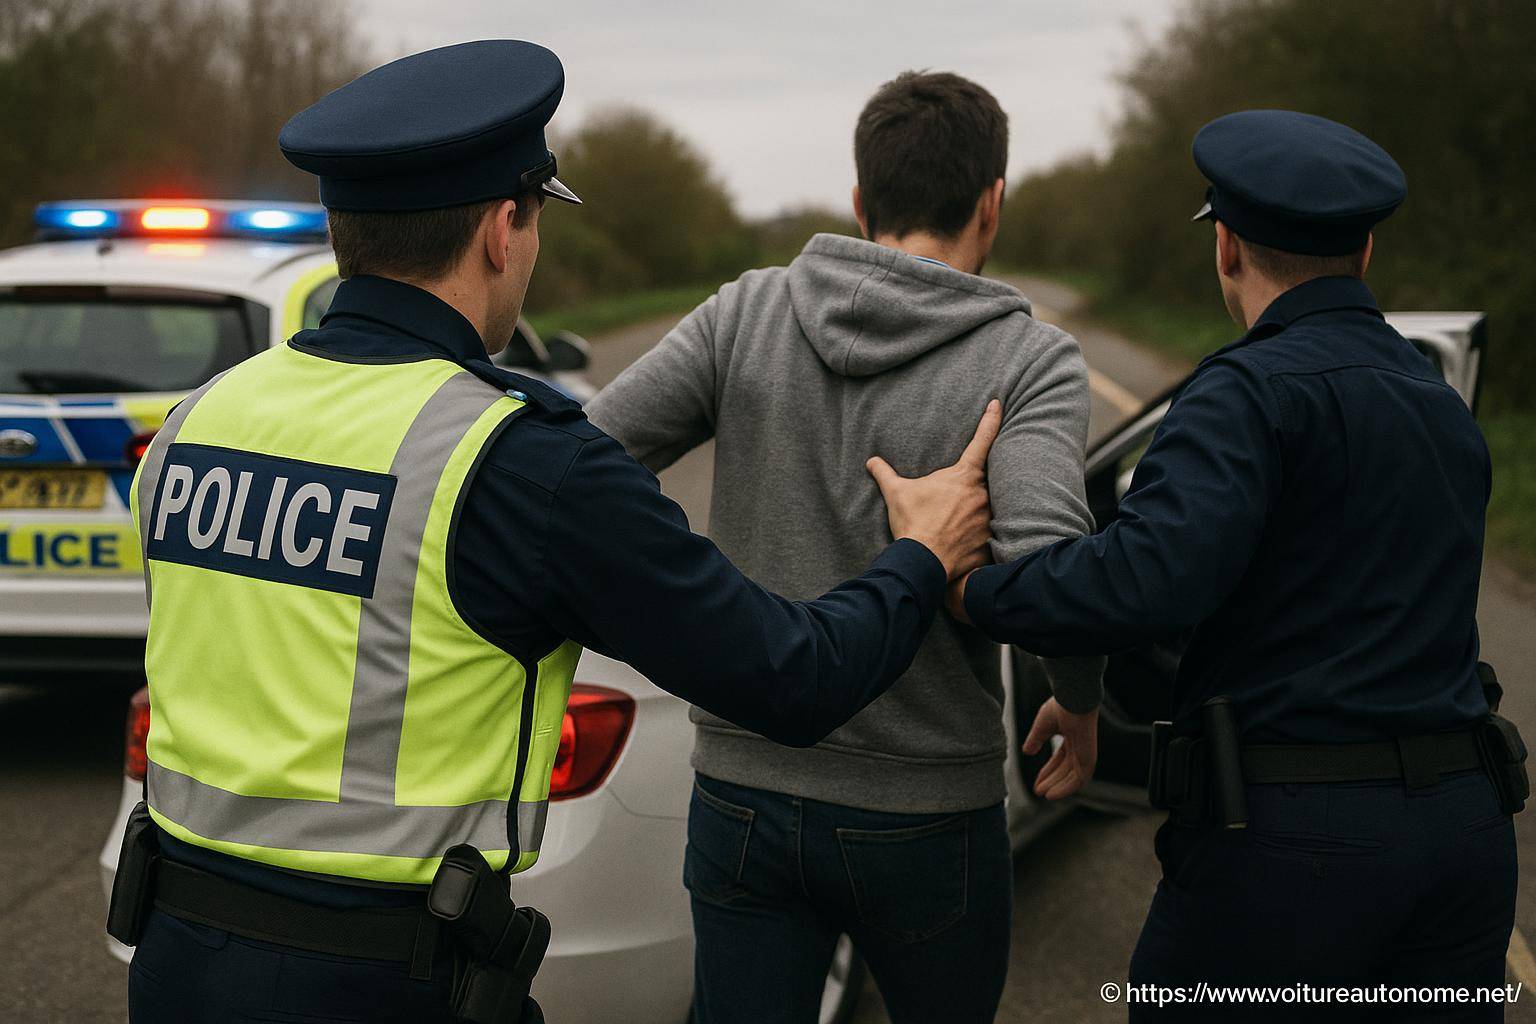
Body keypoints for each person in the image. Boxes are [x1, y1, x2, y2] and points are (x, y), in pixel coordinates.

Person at [110, 41, 999, 1024]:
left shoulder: (197, 419)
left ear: (341, 230)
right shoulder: (522, 463)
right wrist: (921, 553)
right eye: (534, 224)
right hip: (384, 984)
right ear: (502, 229)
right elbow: (791, 676)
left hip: (175, 966)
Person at [872, 109, 1521, 1020]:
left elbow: (1143, 581)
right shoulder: (1439, 405)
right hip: (1464, 838)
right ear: (1366, 251)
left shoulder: (1244, 394)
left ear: (1226, 249)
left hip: (1295, 854)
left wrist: (969, 585)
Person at [586, 70, 1104, 1024]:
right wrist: (1077, 697)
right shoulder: (1027, 360)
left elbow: (585, 459)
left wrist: (682, 584)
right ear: (993, 203)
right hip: (928, 812)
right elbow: (1050, 580)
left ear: (862, 200)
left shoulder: (744, 313)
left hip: (741, 791)